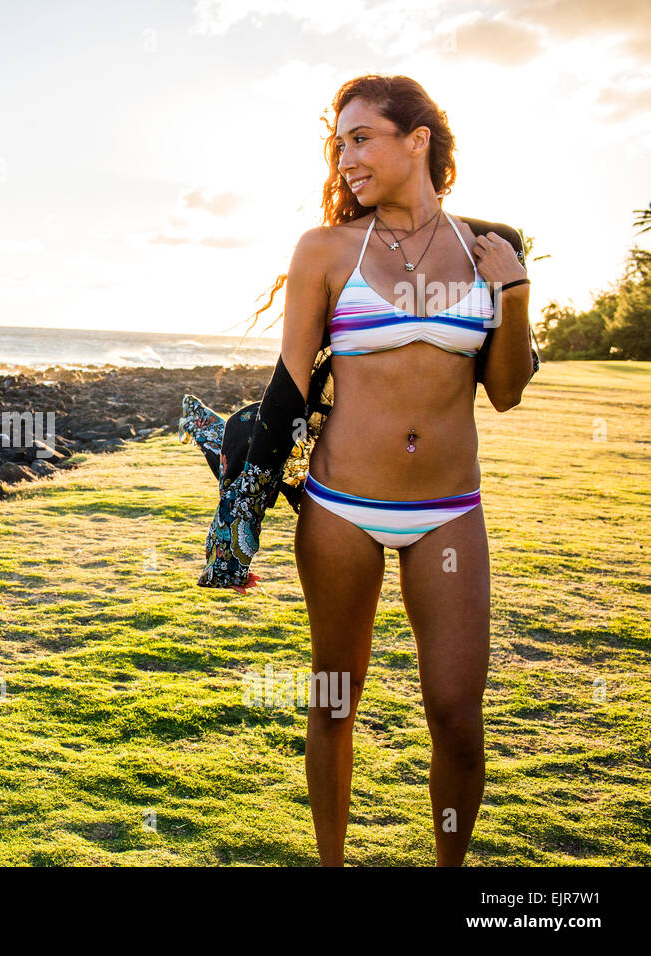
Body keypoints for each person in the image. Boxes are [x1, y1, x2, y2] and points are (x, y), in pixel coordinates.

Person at [190, 74, 537, 866]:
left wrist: (512, 292)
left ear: (417, 140)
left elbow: (508, 392)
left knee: (455, 714)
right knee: (335, 701)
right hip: (341, 507)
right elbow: (289, 389)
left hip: (449, 509)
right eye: (338, 143)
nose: (345, 158)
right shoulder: (325, 250)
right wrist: (233, 526)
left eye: (361, 138)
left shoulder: (490, 245)